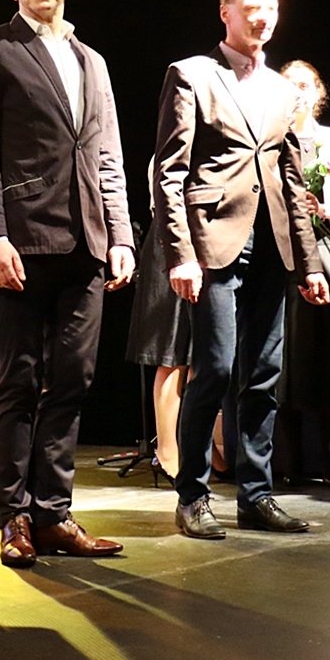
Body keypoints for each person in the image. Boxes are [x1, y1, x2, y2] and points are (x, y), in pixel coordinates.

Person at [0, 0, 134, 568]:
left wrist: (121, 235)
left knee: (73, 379)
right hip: (22, 239)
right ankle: (13, 516)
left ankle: (53, 514)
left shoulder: (92, 60)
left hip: (87, 241)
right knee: (19, 378)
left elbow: (108, 154)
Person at [156, 0, 329, 540]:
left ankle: (256, 494)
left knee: (262, 375)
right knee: (216, 367)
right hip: (213, 242)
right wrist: (181, 254)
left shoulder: (283, 91)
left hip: (271, 244)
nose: (261, 18)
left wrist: (308, 263)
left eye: (270, 9)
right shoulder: (192, 74)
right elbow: (170, 171)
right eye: (251, 8)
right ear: (225, 12)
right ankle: (193, 494)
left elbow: (293, 181)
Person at [275, 59, 330, 483]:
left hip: (326, 244)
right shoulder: (270, 137)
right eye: (289, 84)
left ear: (318, 92)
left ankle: (327, 448)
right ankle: (285, 453)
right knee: (282, 350)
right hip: (281, 251)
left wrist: (326, 209)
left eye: (305, 85)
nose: (297, 92)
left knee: (328, 345)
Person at [123, 156, 193, 480]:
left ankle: (207, 449)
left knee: (200, 357)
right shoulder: (170, 151)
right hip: (174, 245)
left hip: (208, 246)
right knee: (173, 353)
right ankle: (166, 451)